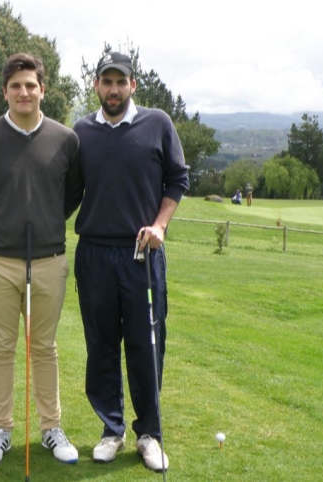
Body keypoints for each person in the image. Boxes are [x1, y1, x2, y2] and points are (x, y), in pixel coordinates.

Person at [73, 52, 190, 473]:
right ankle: (111, 429)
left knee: (145, 345)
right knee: (101, 346)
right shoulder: (82, 131)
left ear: (133, 86)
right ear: (97, 86)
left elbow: (178, 178)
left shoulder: (157, 123)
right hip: (95, 255)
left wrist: (160, 225)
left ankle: (149, 434)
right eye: (106, 81)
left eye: (121, 82)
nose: (113, 89)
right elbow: (68, 190)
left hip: (143, 253)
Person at [0, 52, 83, 467]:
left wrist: (50, 220)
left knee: (45, 348)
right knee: (0, 348)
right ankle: (1, 430)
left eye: (31, 85)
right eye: (16, 86)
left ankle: (51, 428)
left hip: (48, 260)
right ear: (5, 91)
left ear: (42, 89)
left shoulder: (65, 139)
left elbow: (71, 194)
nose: (24, 92)